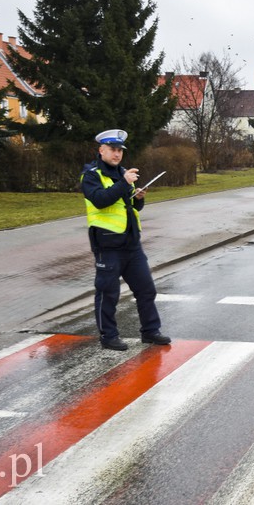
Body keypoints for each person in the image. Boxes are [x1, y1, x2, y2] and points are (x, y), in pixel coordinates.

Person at [80, 129, 171, 351]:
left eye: (120, 150)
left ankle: (150, 331)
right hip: (107, 245)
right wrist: (123, 182)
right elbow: (101, 200)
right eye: (112, 149)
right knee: (108, 293)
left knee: (146, 289)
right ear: (101, 150)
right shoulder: (91, 175)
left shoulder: (122, 173)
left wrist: (138, 198)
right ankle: (108, 337)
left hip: (131, 244)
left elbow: (129, 206)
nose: (117, 153)